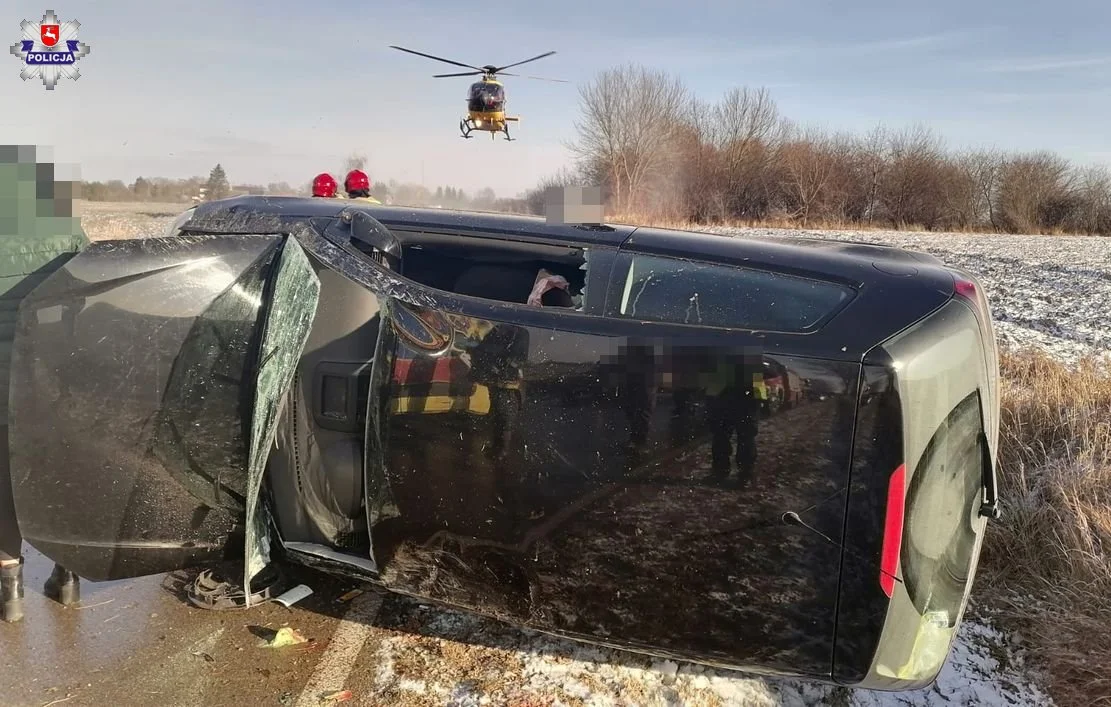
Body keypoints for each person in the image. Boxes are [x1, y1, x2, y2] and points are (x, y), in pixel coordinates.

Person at [1, 145, 89, 623]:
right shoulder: (63, 221)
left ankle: (10, 589)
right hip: (54, 372)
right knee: (56, 469)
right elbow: (88, 286)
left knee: (2, 481)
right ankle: (68, 575)